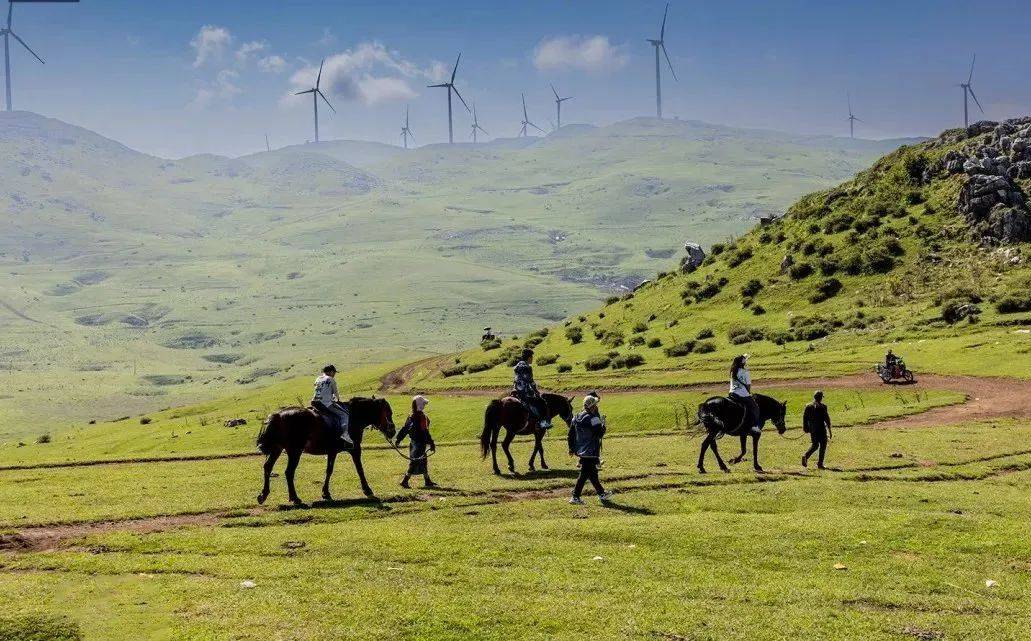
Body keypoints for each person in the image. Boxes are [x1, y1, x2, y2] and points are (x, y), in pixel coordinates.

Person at [567, 395, 612, 504]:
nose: (596, 406)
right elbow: (599, 434)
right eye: (595, 404)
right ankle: (575, 497)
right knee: (584, 475)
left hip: (580, 450)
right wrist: (603, 425)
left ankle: (602, 493)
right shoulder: (594, 418)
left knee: (592, 474)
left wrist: (571, 448)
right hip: (591, 451)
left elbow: (570, 435)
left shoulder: (576, 417)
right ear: (592, 406)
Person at [395, 395, 437, 488]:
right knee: (415, 462)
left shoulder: (411, 416)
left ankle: (427, 481)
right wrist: (432, 443)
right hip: (420, 443)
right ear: (420, 405)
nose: (425, 406)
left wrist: (398, 439)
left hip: (413, 442)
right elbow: (426, 432)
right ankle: (404, 481)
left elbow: (405, 429)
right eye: (423, 404)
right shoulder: (422, 417)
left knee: (423, 461)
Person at [311, 365, 353, 450]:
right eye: (334, 372)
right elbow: (336, 393)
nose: (334, 375)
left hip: (314, 402)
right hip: (325, 403)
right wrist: (337, 399)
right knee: (344, 414)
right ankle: (345, 434)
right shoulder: (330, 379)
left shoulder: (318, 379)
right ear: (330, 371)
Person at [513, 348, 550, 429]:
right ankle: (543, 423)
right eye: (532, 357)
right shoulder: (527, 367)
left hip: (516, 390)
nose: (532, 359)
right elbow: (531, 382)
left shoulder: (517, 366)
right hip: (525, 392)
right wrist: (537, 392)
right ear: (529, 357)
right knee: (542, 403)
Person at [730, 354, 761, 436]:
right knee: (755, 408)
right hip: (742, 394)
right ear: (743, 363)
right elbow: (748, 385)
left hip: (732, 393)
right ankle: (755, 427)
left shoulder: (733, 370)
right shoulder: (745, 372)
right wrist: (749, 393)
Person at [802, 390, 832, 469]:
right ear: (821, 398)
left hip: (813, 429)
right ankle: (820, 464)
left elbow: (805, 418)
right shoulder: (823, 406)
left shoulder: (808, 406)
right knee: (823, 445)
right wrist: (830, 431)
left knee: (815, 445)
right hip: (821, 429)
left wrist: (805, 428)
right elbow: (827, 420)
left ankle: (805, 456)